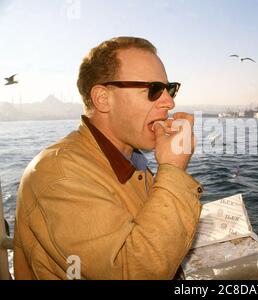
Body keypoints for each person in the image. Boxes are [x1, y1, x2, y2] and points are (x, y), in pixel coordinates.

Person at [13, 37, 203, 280]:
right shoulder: (59, 172)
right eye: (154, 89)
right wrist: (173, 169)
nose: (169, 102)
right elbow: (133, 271)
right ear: (103, 99)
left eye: (170, 89)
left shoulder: (132, 159)